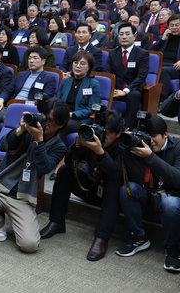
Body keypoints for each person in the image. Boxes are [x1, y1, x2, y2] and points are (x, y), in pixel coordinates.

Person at [41, 110, 144, 261]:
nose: (101, 136)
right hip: (91, 189)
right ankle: (56, 222)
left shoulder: (125, 145)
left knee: (115, 183)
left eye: (106, 133)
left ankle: (101, 238)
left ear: (118, 133)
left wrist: (100, 152)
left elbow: (116, 173)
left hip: (113, 200)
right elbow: (70, 162)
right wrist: (76, 146)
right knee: (64, 171)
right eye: (101, 131)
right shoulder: (94, 138)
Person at [0, 97, 69, 252]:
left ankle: (14, 217)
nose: (45, 123)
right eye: (44, 117)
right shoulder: (28, 127)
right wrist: (20, 130)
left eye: (50, 120)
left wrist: (39, 141)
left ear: (61, 124)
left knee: (30, 245)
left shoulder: (59, 146)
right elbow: (3, 146)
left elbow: (44, 168)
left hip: (23, 197)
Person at [116, 116, 180, 273]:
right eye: (147, 136)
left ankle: (173, 250)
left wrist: (150, 157)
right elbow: (134, 178)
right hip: (152, 200)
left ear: (165, 134)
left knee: (170, 203)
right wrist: (127, 147)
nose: (150, 141)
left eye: (153, 136)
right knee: (128, 189)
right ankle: (139, 237)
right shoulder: (141, 147)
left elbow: (179, 179)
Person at [0, 46, 57, 127]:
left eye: (35, 58)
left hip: (30, 110)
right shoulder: (21, 75)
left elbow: (47, 97)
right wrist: (1, 100)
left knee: (17, 123)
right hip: (13, 106)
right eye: (29, 58)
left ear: (43, 61)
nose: (31, 61)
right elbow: (8, 90)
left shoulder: (49, 78)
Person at [105, 23, 149, 128]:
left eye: (127, 34)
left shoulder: (142, 53)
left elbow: (141, 77)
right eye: (121, 34)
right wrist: (113, 90)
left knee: (133, 95)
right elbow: (107, 73)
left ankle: (128, 128)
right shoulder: (112, 53)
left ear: (134, 36)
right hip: (116, 88)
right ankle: (106, 126)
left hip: (133, 88)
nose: (124, 37)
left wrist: (125, 90)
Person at [150, 15, 180, 98]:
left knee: (164, 71)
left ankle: (162, 99)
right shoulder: (164, 38)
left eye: (177, 25)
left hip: (176, 67)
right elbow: (150, 51)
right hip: (160, 65)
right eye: (171, 25)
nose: (174, 27)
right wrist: (162, 40)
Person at [57, 51, 101, 135]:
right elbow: (58, 101)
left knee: (63, 125)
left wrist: (73, 114)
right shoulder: (66, 81)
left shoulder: (93, 84)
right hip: (62, 116)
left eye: (82, 64)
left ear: (89, 67)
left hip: (80, 120)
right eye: (75, 63)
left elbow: (92, 108)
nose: (78, 66)